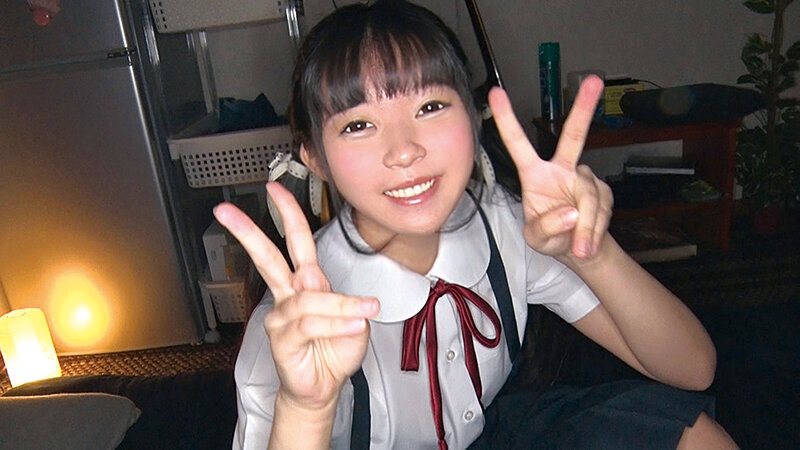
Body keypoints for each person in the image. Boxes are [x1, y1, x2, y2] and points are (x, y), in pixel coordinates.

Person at [214, 1, 737, 448]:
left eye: (430, 105)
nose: (404, 150)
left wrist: (594, 255)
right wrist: (306, 407)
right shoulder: (293, 323)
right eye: (358, 124)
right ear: (315, 157)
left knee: (687, 434)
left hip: (491, 435)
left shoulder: (503, 225)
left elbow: (693, 369)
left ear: (472, 115)